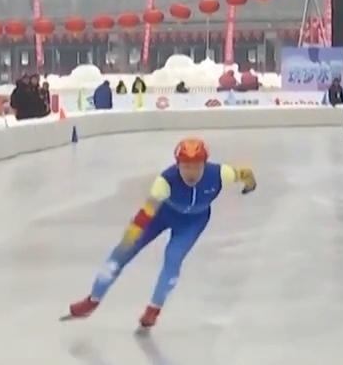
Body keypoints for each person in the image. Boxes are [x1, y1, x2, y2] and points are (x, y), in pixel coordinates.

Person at [62, 138, 258, 330]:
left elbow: (245, 173)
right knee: (122, 252)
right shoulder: (165, 181)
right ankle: (93, 300)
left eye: (196, 166)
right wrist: (133, 231)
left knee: (173, 259)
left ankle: (154, 309)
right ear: (178, 164)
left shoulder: (220, 173)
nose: (191, 172)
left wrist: (250, 183)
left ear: (205, 164)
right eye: (186, 166)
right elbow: (148, 209)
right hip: (161, 216)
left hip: (192, 223)